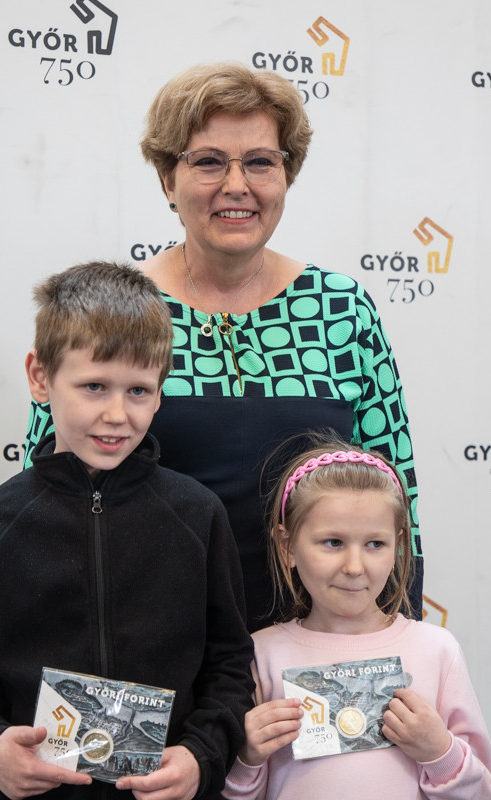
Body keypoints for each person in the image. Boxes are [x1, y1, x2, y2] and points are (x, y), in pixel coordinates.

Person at [26, 62, 423, 632]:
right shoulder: (114, 309)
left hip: (312, 653)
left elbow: (394, 489)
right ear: (168, 181)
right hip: (149, 644)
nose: (237, 184)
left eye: (260, 161)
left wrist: (396, 635)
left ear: (286, 177)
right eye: (208, 161)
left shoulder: (341, 308)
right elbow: (45, 484)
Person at [0, 261, 255, 800]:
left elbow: (229, 665)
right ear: (41, 377)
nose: (116, 414)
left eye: (138, 391)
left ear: (160, 392)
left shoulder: (199, 515)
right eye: (94, 386)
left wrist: (201, 757)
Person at [223, 435, 491, 800]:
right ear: (287, 547)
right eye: (333, 542)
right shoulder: (261, 653)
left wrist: (440, 752)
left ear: (398, 547)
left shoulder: (437, 650)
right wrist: (247, 758)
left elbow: (481, 793)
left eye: (375, 544)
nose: (354, 566)